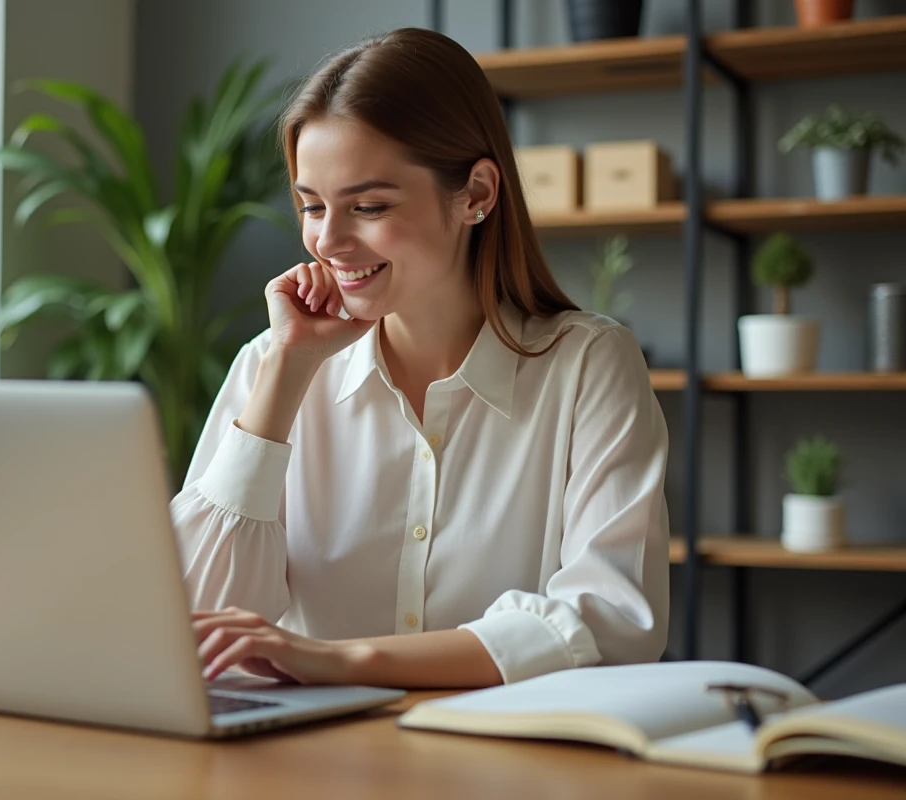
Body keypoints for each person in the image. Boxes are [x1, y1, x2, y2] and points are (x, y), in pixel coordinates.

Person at [171, 27, 670, 689]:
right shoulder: (272, 363)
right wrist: (286, 377)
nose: (329, 240)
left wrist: (347, 660)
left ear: (477, 194)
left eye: (369, 206)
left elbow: (611, 620)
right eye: (311, 206)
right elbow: (196, 623)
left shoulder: (588, 366)